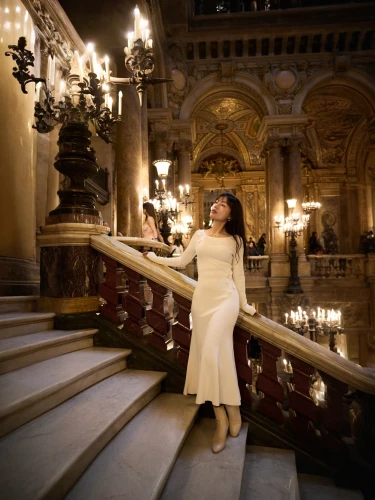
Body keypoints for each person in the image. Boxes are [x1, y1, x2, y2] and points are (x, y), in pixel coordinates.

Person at [143, 192, 261, 453]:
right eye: (216, 202)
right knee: (217, 358)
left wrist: (244, 305)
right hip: (203, 301)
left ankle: (227, 415)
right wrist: (154, 258)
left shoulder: (237, 241)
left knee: (211, 354)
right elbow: (182, 261)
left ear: (231, 213)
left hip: (226, 300)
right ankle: (227, 414)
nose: (216, 206)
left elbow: (238, 277)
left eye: (223, 204)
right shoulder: (198, 235)